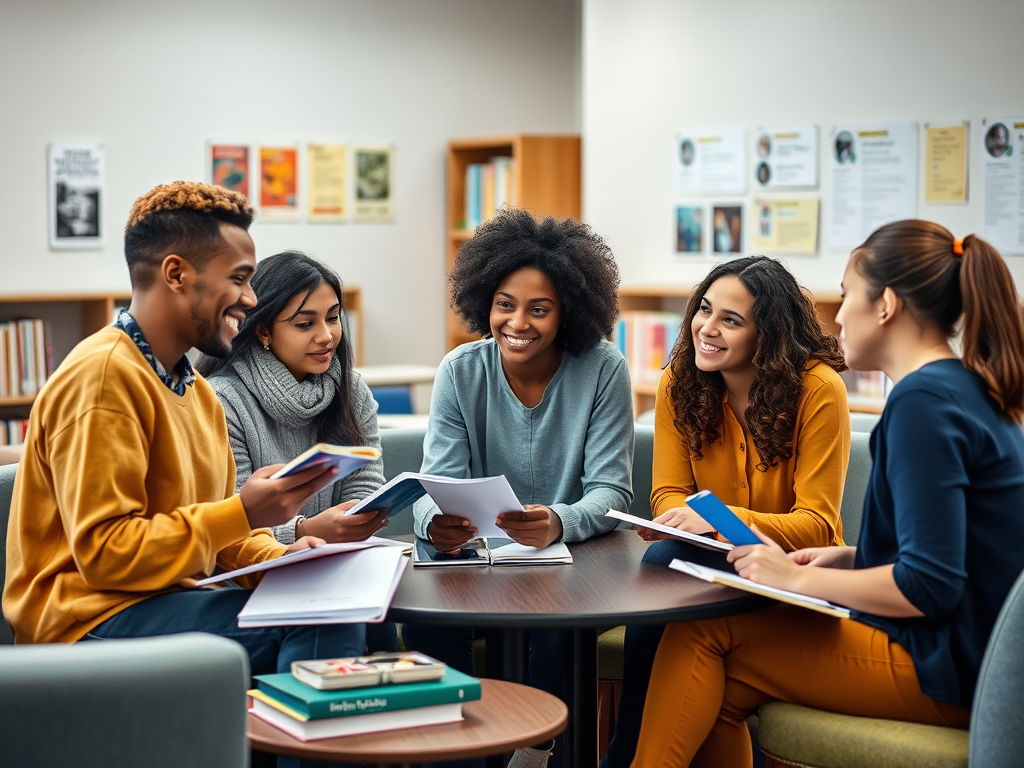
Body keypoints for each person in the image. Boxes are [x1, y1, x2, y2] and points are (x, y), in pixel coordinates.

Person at [631, 221, 1024, 767]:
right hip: (972, 654)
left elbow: (930, 585)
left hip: (949, 668)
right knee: (722, 683)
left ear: (885, 305)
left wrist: (796, 577)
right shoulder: (963, 387)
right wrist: (850, 559)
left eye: (846, 296)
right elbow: (956, 555)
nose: (837, 316)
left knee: (701, 633)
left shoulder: (922, 405)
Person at [3, 181, 365, 676]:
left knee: (353, 607)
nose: (250, 297)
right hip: (83, 621)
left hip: (168, 598)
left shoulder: (194, 390)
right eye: (238, 279)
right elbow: (106, 557)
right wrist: (243, 511)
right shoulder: (104, 378)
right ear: (176, 274)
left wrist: (282, 558)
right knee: (322, 621)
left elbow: (219, 537)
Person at [404, 208, 635, 768]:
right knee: (425, 620)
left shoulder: (603, 369)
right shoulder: (461, 370)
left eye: (539, 309)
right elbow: (434, 484)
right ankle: (457, 753)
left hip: (571, 573)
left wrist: (559, 520)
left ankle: (536, 752)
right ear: (485, 301)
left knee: (555, 625)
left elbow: (612, 490)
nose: (517, 322)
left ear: (568, 313)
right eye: (505, 304)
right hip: (475, 569)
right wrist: (436, 521)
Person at [600, 255, 851, 768]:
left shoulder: (819, 390)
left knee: (660, 572)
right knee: (664, 563)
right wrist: (683, 521)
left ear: (770, 334)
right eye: (704, 310)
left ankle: (624, 755)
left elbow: (818, 529)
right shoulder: (679, 383)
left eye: (730, 320)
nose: (706, 330)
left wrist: (715, 519)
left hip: (790, 580)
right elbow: (668, 494)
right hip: (707, 570)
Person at [196, 250, 396, 653]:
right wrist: (303, 531)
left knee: (379, 613)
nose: (326, 335)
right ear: (264, 331)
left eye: (334, 317)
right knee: (351, 619)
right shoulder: (222, 400)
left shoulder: (349, 388)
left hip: (333, 563)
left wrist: (358, 517)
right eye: (305, 323)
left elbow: (367, 478)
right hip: (249, 580)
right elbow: (232, 518)